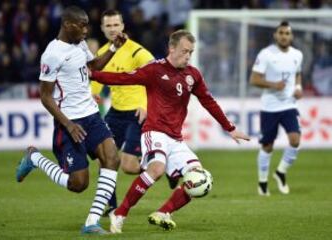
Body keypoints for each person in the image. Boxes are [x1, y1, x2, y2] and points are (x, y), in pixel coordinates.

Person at [91, 29, 250, 233]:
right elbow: (122, 78)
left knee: (199, 179)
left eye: (191, 52)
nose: (188, 56)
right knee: (156, 169)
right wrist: (92, 74)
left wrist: (231, 128)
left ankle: (163, 212)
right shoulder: (154, 70)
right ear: (171, 48)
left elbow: (208, 101)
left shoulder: (193, 75)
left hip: (176, 139)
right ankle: (120, 213)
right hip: (154, 131)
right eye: (184, 51)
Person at [15, 6, 126, 235]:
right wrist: (68, 124)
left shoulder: (79, 44)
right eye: (82, 25)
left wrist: (114, 47)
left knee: (112, 158)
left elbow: (94, 67)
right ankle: (34, 158)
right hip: (69, 123)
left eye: (87, 25)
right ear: (68, 25)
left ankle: (91, 223)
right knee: (78, 184)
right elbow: (45, 96)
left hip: (92, 116)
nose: (86, 30)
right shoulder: (52, 54)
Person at [90, 10, 154, 213]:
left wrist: (145, 105)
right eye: (108, 26)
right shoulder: (101, 54)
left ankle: (161, 168)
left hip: (137, 113)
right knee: (104, 159)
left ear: (123, 26)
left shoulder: (137, 52)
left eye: (116, 25)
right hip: (115, 113)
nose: (112, 29)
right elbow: (95, 82)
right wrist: (92, 95)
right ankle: (111, 205)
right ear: (102, 28)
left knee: (128, 166)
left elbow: (156, 78)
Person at [250, 21, 303, 196]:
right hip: (270, 107)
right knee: (267, 146)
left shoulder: (297, 55)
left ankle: (280, 172)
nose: (284, 36)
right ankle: (262, 182)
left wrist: (298, 88)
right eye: (281, 33)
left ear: (291, 36)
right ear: (275, 35)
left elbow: (297, 74)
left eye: (287, 33)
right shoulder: (266, 54)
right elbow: (254, 79)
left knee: (295, 140)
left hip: (289, 105)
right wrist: (273, 85)